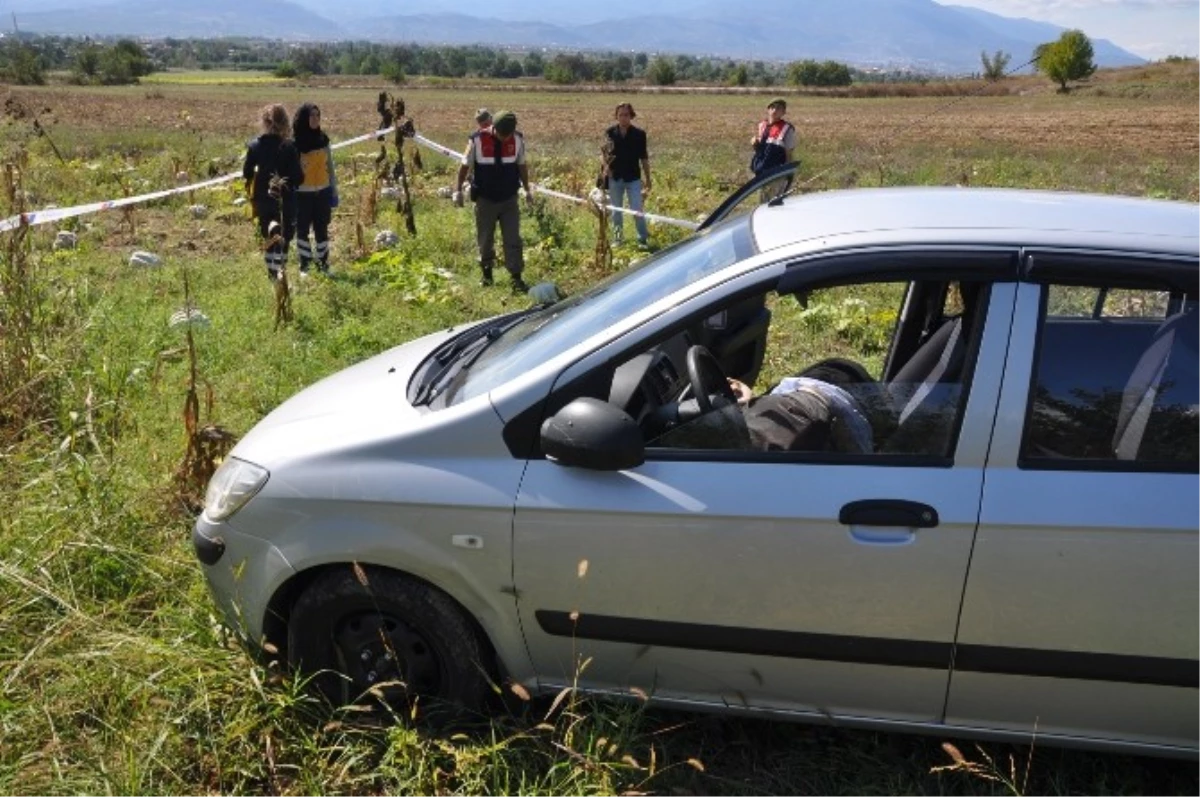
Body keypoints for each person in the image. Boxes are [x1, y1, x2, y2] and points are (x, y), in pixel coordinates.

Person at [454, 110, 533, 293]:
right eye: (502, 134)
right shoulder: (477, 140)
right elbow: (464, 166)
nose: (505, 139)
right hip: (485, 199)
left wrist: (528, 190)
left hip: (509, 199)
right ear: (493, 127)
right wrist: (457, 190)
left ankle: (516, 278)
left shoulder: (518, 139)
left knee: (513, 239)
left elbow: (522, 165)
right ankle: (487, 275)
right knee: (485, 239)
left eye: (508, 135)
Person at [243, 104, 303, 281]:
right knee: (284, 237)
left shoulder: (255, 146)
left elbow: (246, 173)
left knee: (269, 235)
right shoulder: (290, 147)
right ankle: (281, 274)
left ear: (264, 122)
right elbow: (298, 177)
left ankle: (272, 275)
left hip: (263, 200)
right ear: (285, 122)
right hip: (286, 201)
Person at [292, 103, 338, 276]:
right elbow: (289, 171)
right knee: (302, 230)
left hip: (323, 192)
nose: (315, 119)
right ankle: (305, 266)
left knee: (322, 229)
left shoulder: (323, 139)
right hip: (302, 194)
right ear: (304, 118)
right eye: (312, 116)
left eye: (318, 116)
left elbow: (330, 166)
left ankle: (323, 264)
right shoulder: (294, 143)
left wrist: (334, 190)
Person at [602, 102, 651, 247]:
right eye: (621, 115)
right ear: (616, 116)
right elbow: (604, 153)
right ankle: (618, 239)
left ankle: (642, 239)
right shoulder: (610, 132)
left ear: (631, 116)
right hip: (615, 178)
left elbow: (644, 157)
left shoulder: (639, 135)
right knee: (616, 212)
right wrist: (606, 167)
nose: (624, 118)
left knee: (637, 210)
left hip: (633, 178)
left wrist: (648, 178)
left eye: (626, 115)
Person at [749, 98, 797, 179]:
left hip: (776, 172)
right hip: (760, 169)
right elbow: (760, 151)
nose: (775, 110)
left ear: (783, 112)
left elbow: (789, 153)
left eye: (778, 108)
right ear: (768, 110)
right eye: (772, 107)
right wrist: (755, 144)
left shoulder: (787, 128)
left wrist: (788, 173)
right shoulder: (762, 125)